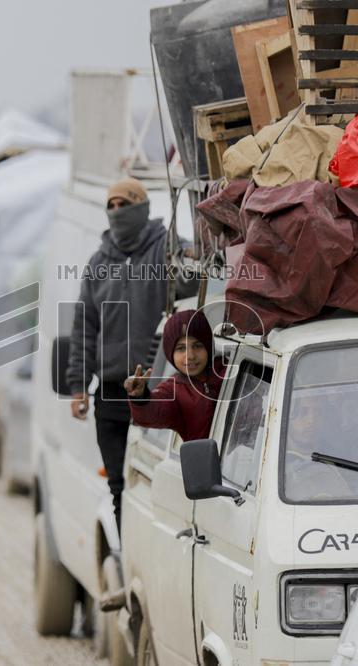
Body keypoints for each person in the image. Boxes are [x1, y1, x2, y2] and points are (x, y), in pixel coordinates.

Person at [67, 177, 197, 529]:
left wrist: (186, 257)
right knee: (119, 489)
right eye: (111, 205)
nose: (117, 211)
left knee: (159, 488)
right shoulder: (98, 263)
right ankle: (127, 565)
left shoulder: (163, 248)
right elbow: (84, 328)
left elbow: (189, 279)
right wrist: (78, 385)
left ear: (141, 207)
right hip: (110, 396)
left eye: (125, 204)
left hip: (157, 391)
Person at [124, 309, 224, 442]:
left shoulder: (229, 370)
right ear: (170, 353)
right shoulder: (173, 390)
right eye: (181, 348)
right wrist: (140, 398)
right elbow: (154, 412)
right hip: (204, 461)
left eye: (198, 346)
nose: (190, 356)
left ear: (208, 346)